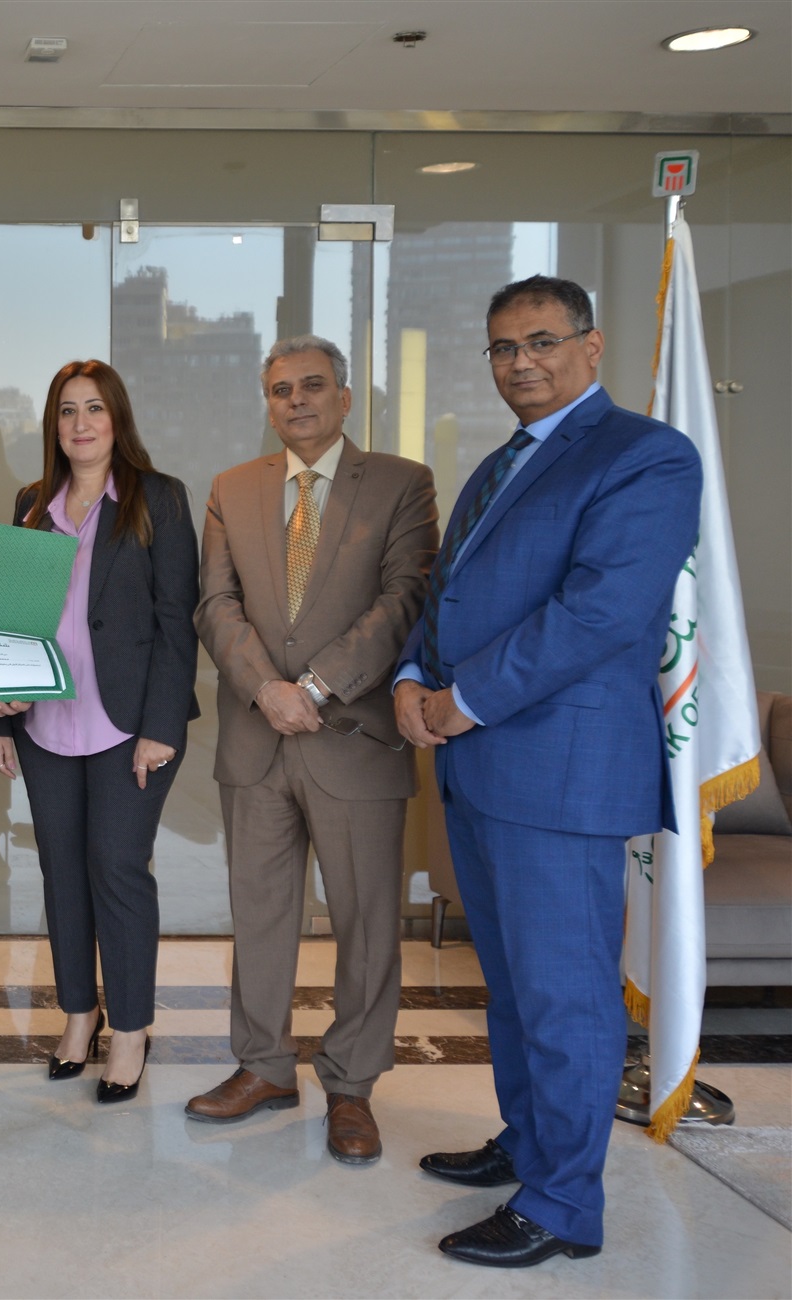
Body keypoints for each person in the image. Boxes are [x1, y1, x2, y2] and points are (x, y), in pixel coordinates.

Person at [394, 276, 701, 1266]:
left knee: (565, 995)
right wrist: (410, 676)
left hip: (558, 775)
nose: (519, 361)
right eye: (501, 347)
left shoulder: (645, 455)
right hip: (482, 770)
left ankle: (563, 1204)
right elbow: (446, 595)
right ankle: (529, 1145)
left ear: (590, 345)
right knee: (514, 989)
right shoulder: (501, 463)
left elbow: (599, 612)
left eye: (540, 340)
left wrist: (464, 699)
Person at [189, 336, 437, 1159]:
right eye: (280, 389)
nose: (296, 400)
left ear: (345, 397)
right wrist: (267, 688)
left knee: (366, 923)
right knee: (260, 915)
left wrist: (319, 688)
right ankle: (262, 1066)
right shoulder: (232, 488)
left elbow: (406, 598)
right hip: (256, 738)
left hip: (354, 739)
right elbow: (215, 603)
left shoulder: (402, 483)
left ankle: (351, 1086)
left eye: (312, 386)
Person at [0, 360, 199, 1104]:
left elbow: (177, 620)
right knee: (62, 872)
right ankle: (80, 1014)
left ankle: (131, 1028)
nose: (80, 423)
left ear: (117, 418)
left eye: (95, 408)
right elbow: (9, 618)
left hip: (128, 725)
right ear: (54, 424)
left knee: (118, 867)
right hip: (43, 722)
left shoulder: (157, 498)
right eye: (67, 410)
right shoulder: (32, 503)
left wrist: (162, 726)